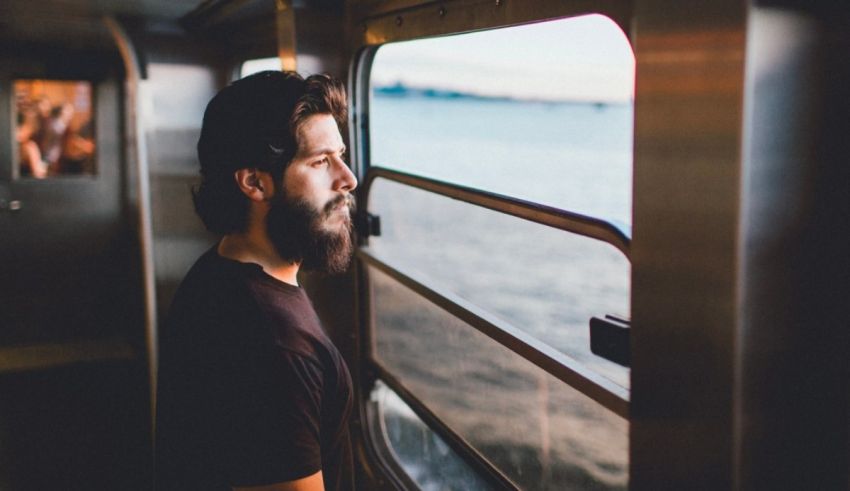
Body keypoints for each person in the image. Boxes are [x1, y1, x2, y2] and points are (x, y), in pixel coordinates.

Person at [155, 71, 358, 491]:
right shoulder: (273, 346)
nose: (347, 178)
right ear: (254, 182)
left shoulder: (218, 271)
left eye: (341, 155)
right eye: (321, 161)